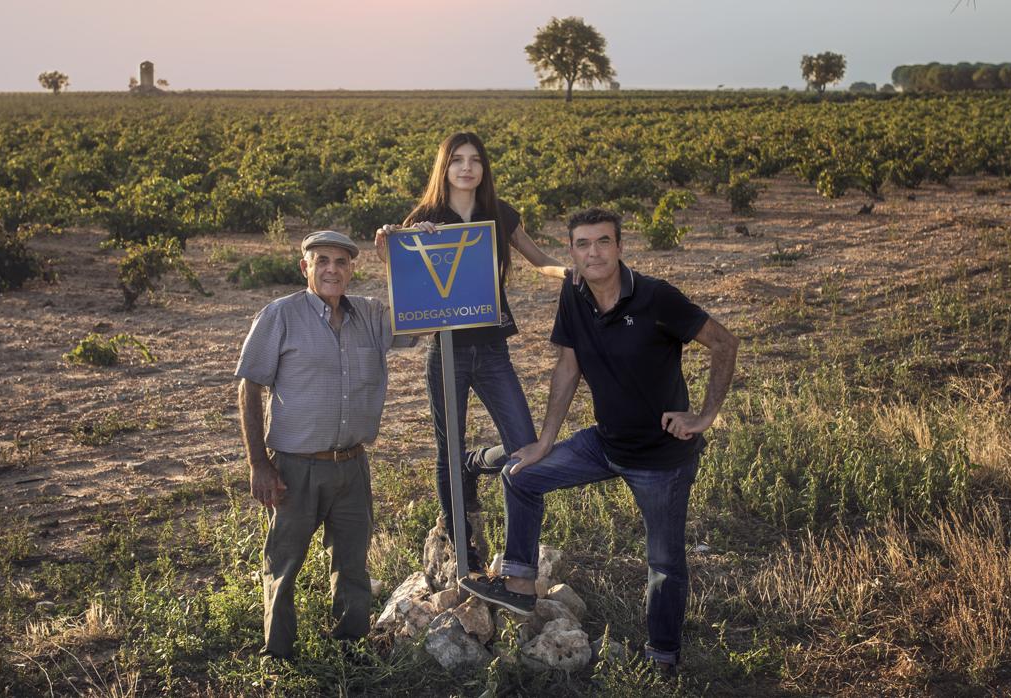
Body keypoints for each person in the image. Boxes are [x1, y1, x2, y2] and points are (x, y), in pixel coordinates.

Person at [459, 207, 740, 672]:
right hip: (604, 443)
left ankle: (663, 657)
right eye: (583, 244)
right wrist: (546, 441)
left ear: (620, 246)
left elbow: (725, 343)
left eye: (603, 242)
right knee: (520, 475)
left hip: (661, 459)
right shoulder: (574, 296)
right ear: (571, 252)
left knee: (664, 562)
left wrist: (705, 416)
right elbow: (567, 368)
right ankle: (520, 585)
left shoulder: (656, 297)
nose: (594, 253)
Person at [374, 132, 566, 574]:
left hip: (492, 347)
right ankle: (466, 554)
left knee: (526, 444)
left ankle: (477, 464)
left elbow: (539, 260)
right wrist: (390, 244)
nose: (466, 167)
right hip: (446, 351)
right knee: (446, 450)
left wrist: (569, 273)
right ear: (444, 168)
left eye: (475, 160)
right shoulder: (426, 215)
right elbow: (404, 273)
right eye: (457, 160)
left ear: (484, 168)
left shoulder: (498, 214)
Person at [235, 230, 410, 662]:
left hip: (352, 465)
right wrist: (259, 464)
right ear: (305, 267)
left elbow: (419, 317)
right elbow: (249, 387)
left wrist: (398, 260)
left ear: (353, 269)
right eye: (322, 261)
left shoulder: (370, 315)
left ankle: (351, 650)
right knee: (284, 563)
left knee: (352, 564)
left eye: (341, 262)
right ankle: (278, 656)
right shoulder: (280, 315)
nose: (332, 269)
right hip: (295, 467)